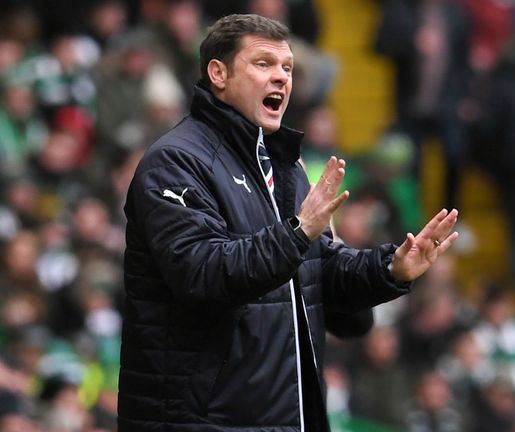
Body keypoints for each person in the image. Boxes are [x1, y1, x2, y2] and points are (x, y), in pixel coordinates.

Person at [117, 13, 459, 432]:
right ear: (218, 74)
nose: (281, 77)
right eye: (263, 64)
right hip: (205, 421)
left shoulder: (284, 165)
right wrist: (298, 231)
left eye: (287, 68)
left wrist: (390, 268)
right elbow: (204, 274)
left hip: (284, 417)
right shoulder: (175, 162)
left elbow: (318, 273)